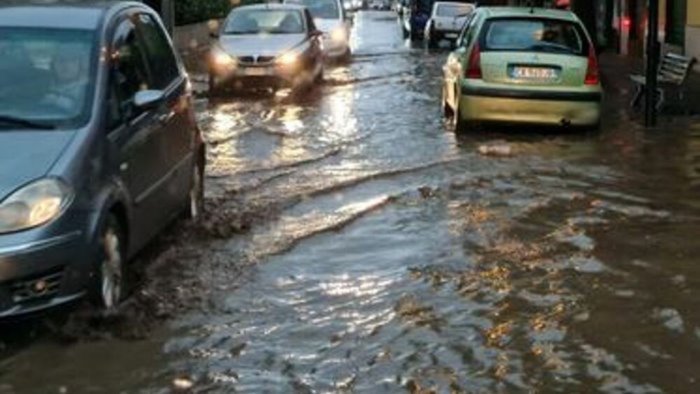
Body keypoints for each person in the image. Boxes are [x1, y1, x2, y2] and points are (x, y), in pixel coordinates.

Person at [43, 44, 90, 114]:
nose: (66, 65)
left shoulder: (88, 90)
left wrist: (56, 100)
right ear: (53, 64)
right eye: (61, 60)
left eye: (72, 60)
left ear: (81, 65)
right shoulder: (43, 85)